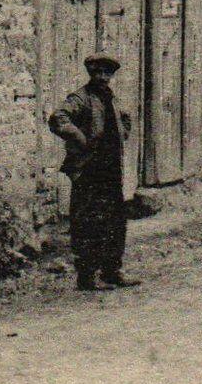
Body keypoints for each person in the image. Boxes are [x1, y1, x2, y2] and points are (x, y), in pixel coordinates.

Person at [48, 54, 140, 291]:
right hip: (89, 170)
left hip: (111, 169)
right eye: (97, 72)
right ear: (91, 73)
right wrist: (80, 138)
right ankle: (87, 276)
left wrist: (123, 132)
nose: (102, 77)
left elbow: (125, 118)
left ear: (111, 75)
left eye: (106, 73)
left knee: (115, 220)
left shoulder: (112, 98)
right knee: (88, 221)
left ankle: (112, 271)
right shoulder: (81, 97)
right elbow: (58, 118)